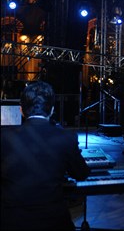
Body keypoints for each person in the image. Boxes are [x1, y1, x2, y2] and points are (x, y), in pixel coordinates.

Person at [1, 81, 91, 230]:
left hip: (11, 221)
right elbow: (81, 174)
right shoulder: (66, 137)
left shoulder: (4, 137)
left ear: (21, 110)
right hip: (53, 221)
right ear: (52, 110)